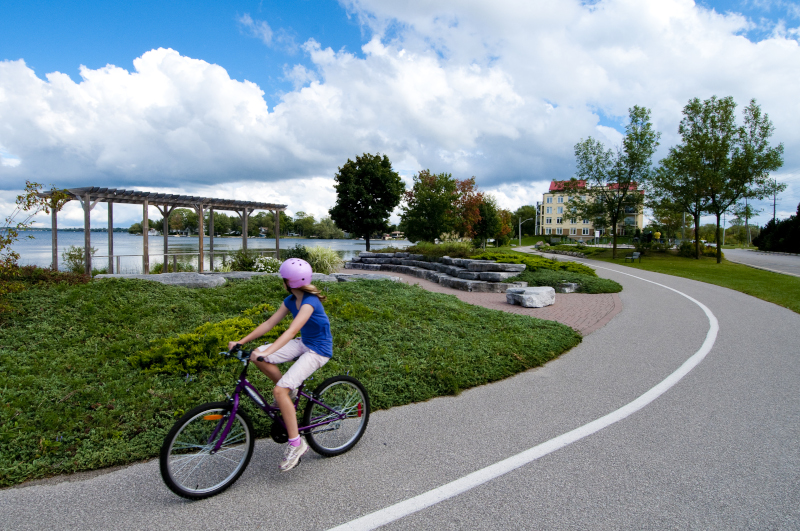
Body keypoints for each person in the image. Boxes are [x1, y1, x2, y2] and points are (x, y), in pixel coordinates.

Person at [228, 258, 332, 472]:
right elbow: (269, 323)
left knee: (279, 390)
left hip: (318, 351)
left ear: (289, 281)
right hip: (304, 343)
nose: (281, 282)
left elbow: (291, 331)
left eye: (283, 279)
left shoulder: (310, 302)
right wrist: (242, 342)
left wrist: (270, 352)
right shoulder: (290, 299)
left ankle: (297, 443)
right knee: (255, 355)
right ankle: (290, 393)